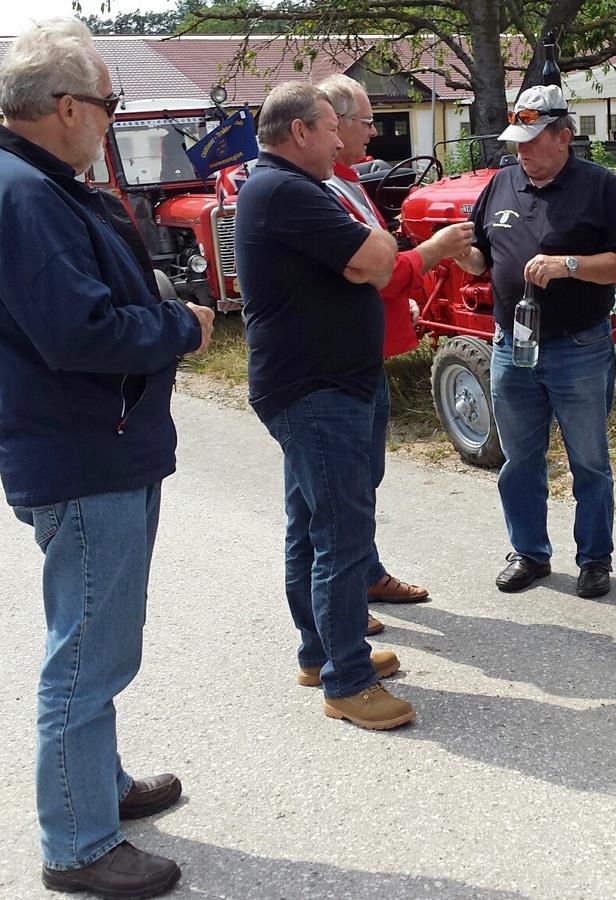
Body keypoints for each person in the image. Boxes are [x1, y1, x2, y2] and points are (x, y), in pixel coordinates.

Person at [0, 18, 214, 898]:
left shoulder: (30, 183)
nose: (110, 117)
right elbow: (81, 332)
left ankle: (96, 784)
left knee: (100, 639)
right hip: (81, 453)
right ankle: (77, 843)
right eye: (109, 102)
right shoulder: (21, 195)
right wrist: (180, 326)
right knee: (87, 656)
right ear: (65, 106)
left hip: (97, 443)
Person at [235, 82, 415, 730]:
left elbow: (371, 264)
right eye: (331, 127)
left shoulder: (289, 188)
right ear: (300, 131)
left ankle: (321, 653)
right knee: (341, 532)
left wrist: (370, 258)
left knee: (313, 523)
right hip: (317, 389)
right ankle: (347, 679)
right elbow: (377, 255)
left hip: (322, 384)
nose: (341, 140)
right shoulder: (286, 191)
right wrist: (374, 250)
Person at [456, 85, 616, 599]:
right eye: (517, 141)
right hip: (510, 346)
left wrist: (569, 265)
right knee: (519, 459)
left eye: (533, 140)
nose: (522, 150)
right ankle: (529, 552)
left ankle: (594, 559)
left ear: (564, 136)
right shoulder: (501, 183)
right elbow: (483, 258)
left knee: (588, 461)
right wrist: (459, 253)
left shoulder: (600, 187)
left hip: (578, 347)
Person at [315, 73, 475, 612]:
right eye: (366, 122)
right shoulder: (325, 190)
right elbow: (372, 269)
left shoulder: (348, 180)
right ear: (334, 125)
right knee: (344, 490)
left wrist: (397, 300)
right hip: (344, 361)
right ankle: (343, 605)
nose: (373, 132)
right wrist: (434, 251)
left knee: (363, 480)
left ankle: (364, 571)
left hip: (368, 347)